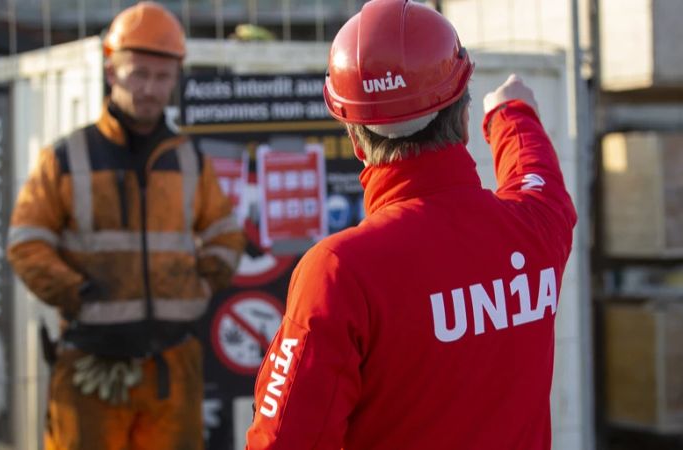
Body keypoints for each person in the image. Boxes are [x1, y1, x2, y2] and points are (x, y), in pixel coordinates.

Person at [245, 0, 577, 449]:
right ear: (461, 119)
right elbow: (538, 179)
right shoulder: (535, 228)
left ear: (355, 138)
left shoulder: (340, 272)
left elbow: (282, 440)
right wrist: (511, 113)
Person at [6, 2, 245, 449]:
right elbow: (26, 241)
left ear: (175, 78)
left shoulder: (189, 160)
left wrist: (198, 283)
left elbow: (225, 234)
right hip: (89, 364)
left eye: (162, 77)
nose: (150, 89)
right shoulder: (65, 158)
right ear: (111, 71)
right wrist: (76, 294)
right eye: (138, 74)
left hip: (172, 366)